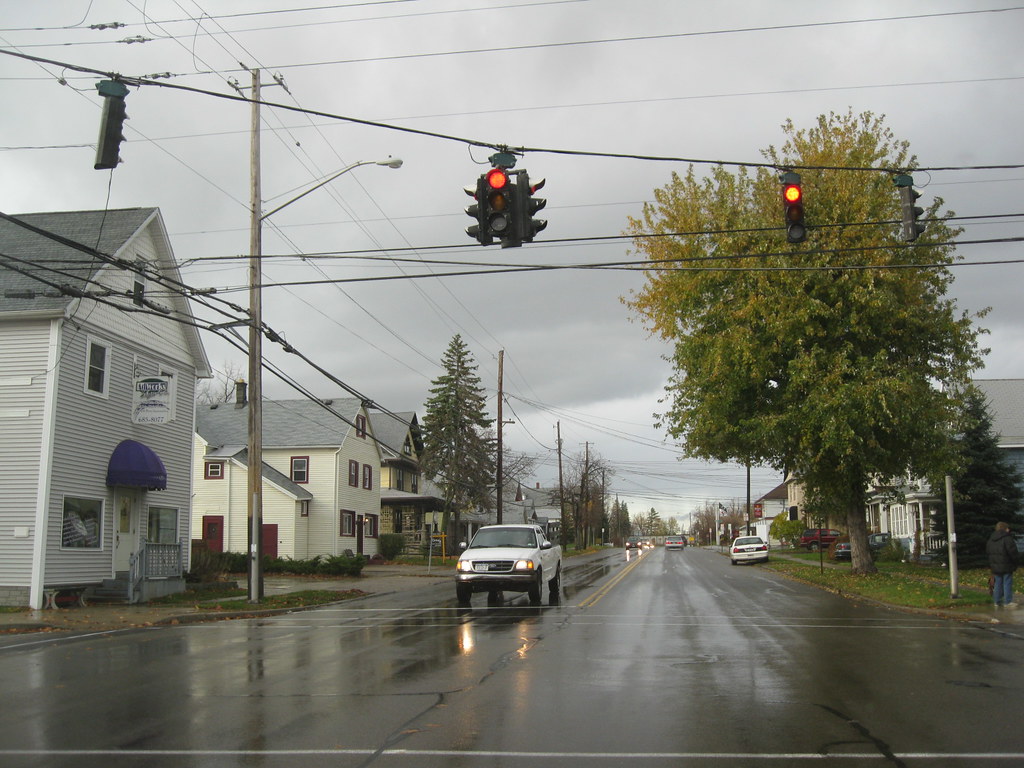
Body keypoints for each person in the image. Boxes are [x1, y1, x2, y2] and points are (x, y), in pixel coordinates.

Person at [986, 521, 1019, 609]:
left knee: (997, 583)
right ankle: (1008, 601)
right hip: (1007, 564)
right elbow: (1012, 552)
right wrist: (1016, 562)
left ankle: (997, 601)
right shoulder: (1007, 538)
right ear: (1005, 529)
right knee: (1007, 582)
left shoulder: (991, 539)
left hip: (995, 565)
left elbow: (988, 551)